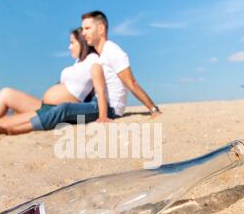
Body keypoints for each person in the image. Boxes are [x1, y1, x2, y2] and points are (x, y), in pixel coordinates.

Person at [28, 10, 162, 131]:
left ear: (101, 29)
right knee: (58, 108)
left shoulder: (112, 51)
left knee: (65, 108)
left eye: (87, 28)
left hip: (110, 109)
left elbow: (131, 83)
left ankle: (25, 127)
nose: (84, 33)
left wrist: (153, 109)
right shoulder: (98, 55)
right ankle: (16, 124)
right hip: (95, 103)